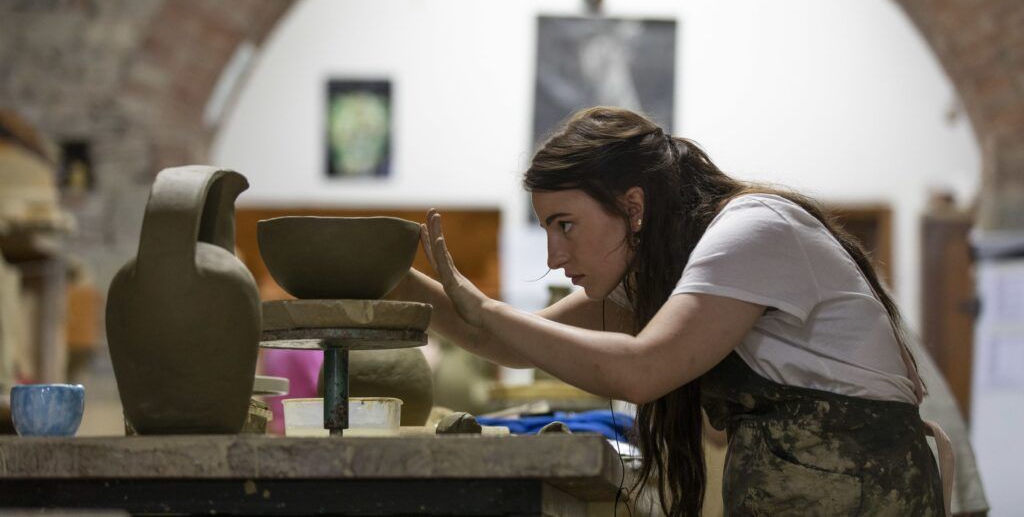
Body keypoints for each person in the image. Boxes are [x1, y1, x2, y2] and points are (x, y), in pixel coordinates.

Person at [389, 106, 951, 516]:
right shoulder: (665, 273)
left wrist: (484, 304)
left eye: (565, 225)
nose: (554, 257)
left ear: (633, 207)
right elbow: (506, 342)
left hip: (871, 495)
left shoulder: (752, 232)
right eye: (545, 228)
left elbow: (640, 371)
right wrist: (389, 274)